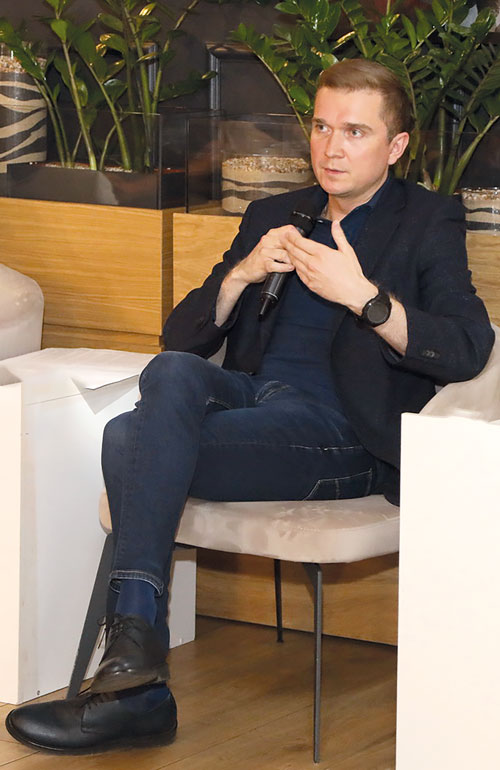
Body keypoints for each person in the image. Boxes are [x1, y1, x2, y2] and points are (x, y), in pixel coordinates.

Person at [5, 58, 494, 754]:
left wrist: (364, 298)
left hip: (343, 433)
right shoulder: (276, 215)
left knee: (126, 440)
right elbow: (180, 338)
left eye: (355, 132)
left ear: (396, 147)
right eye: (321, 127)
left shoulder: (426, 220)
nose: (331, 147)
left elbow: (467, 348)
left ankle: (138, 681)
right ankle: (137, 664)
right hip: (256, 401)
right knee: (172, 372)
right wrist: (242, 272)